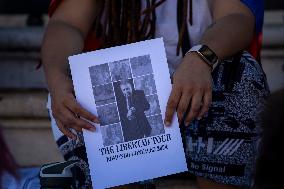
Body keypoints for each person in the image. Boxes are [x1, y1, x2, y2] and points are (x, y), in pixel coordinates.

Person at [42, 0, 269, 188]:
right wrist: (56, 77)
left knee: (240, 73)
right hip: (123, 118)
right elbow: (66, 22)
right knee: (76, 88)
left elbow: (238, 17)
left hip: (201, 98)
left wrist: (202, 58)